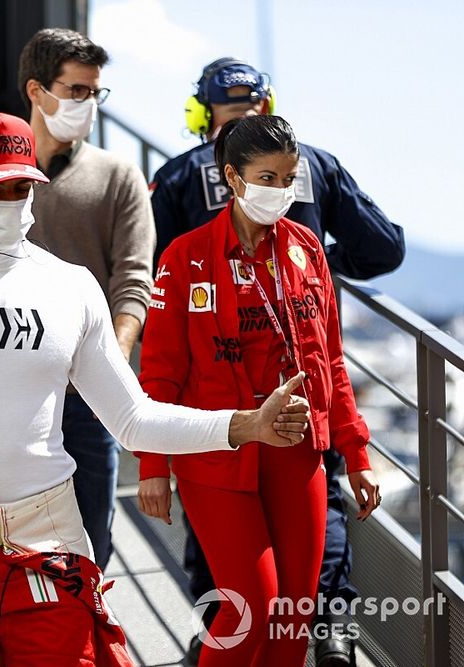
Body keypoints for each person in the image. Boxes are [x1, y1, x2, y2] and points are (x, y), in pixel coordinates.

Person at [0, 110, 313, 666]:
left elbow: (133, 420)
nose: (10, 201)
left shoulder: (71, 286)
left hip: (49, 536)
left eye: (21, 186)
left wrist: (247, 425)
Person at [142, 57, 405, 667]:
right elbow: (160, 370)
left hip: (299, 451)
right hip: (216, 452)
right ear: (233, 178)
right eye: (268, 177)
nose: (283, 191)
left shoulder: (308, 249)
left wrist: (357, 452)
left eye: (290, 177)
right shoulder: (184, 258)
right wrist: (154, 465)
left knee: (292, 618)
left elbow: (329, 362)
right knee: (250, 611)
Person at [0, 28, 154, 571]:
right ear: (37, 90)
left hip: (85, 390)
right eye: (76, 91)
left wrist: (109, 358)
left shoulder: (119, 176)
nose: (87, 105)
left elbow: (134, 280)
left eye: (95, 94)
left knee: (88, 547)